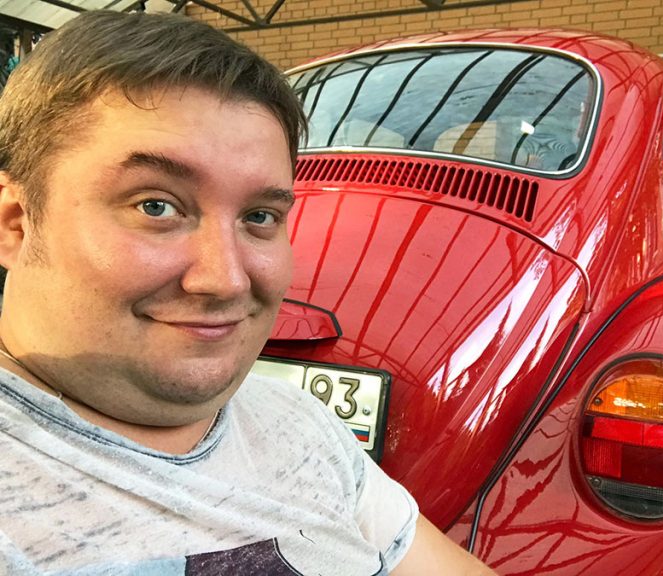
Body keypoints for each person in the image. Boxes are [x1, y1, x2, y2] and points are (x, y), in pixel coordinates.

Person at [0, 10, 495, 576]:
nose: (226, 280)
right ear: (16, 223)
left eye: (260, 216)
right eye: (156, 206)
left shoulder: (300, 424)